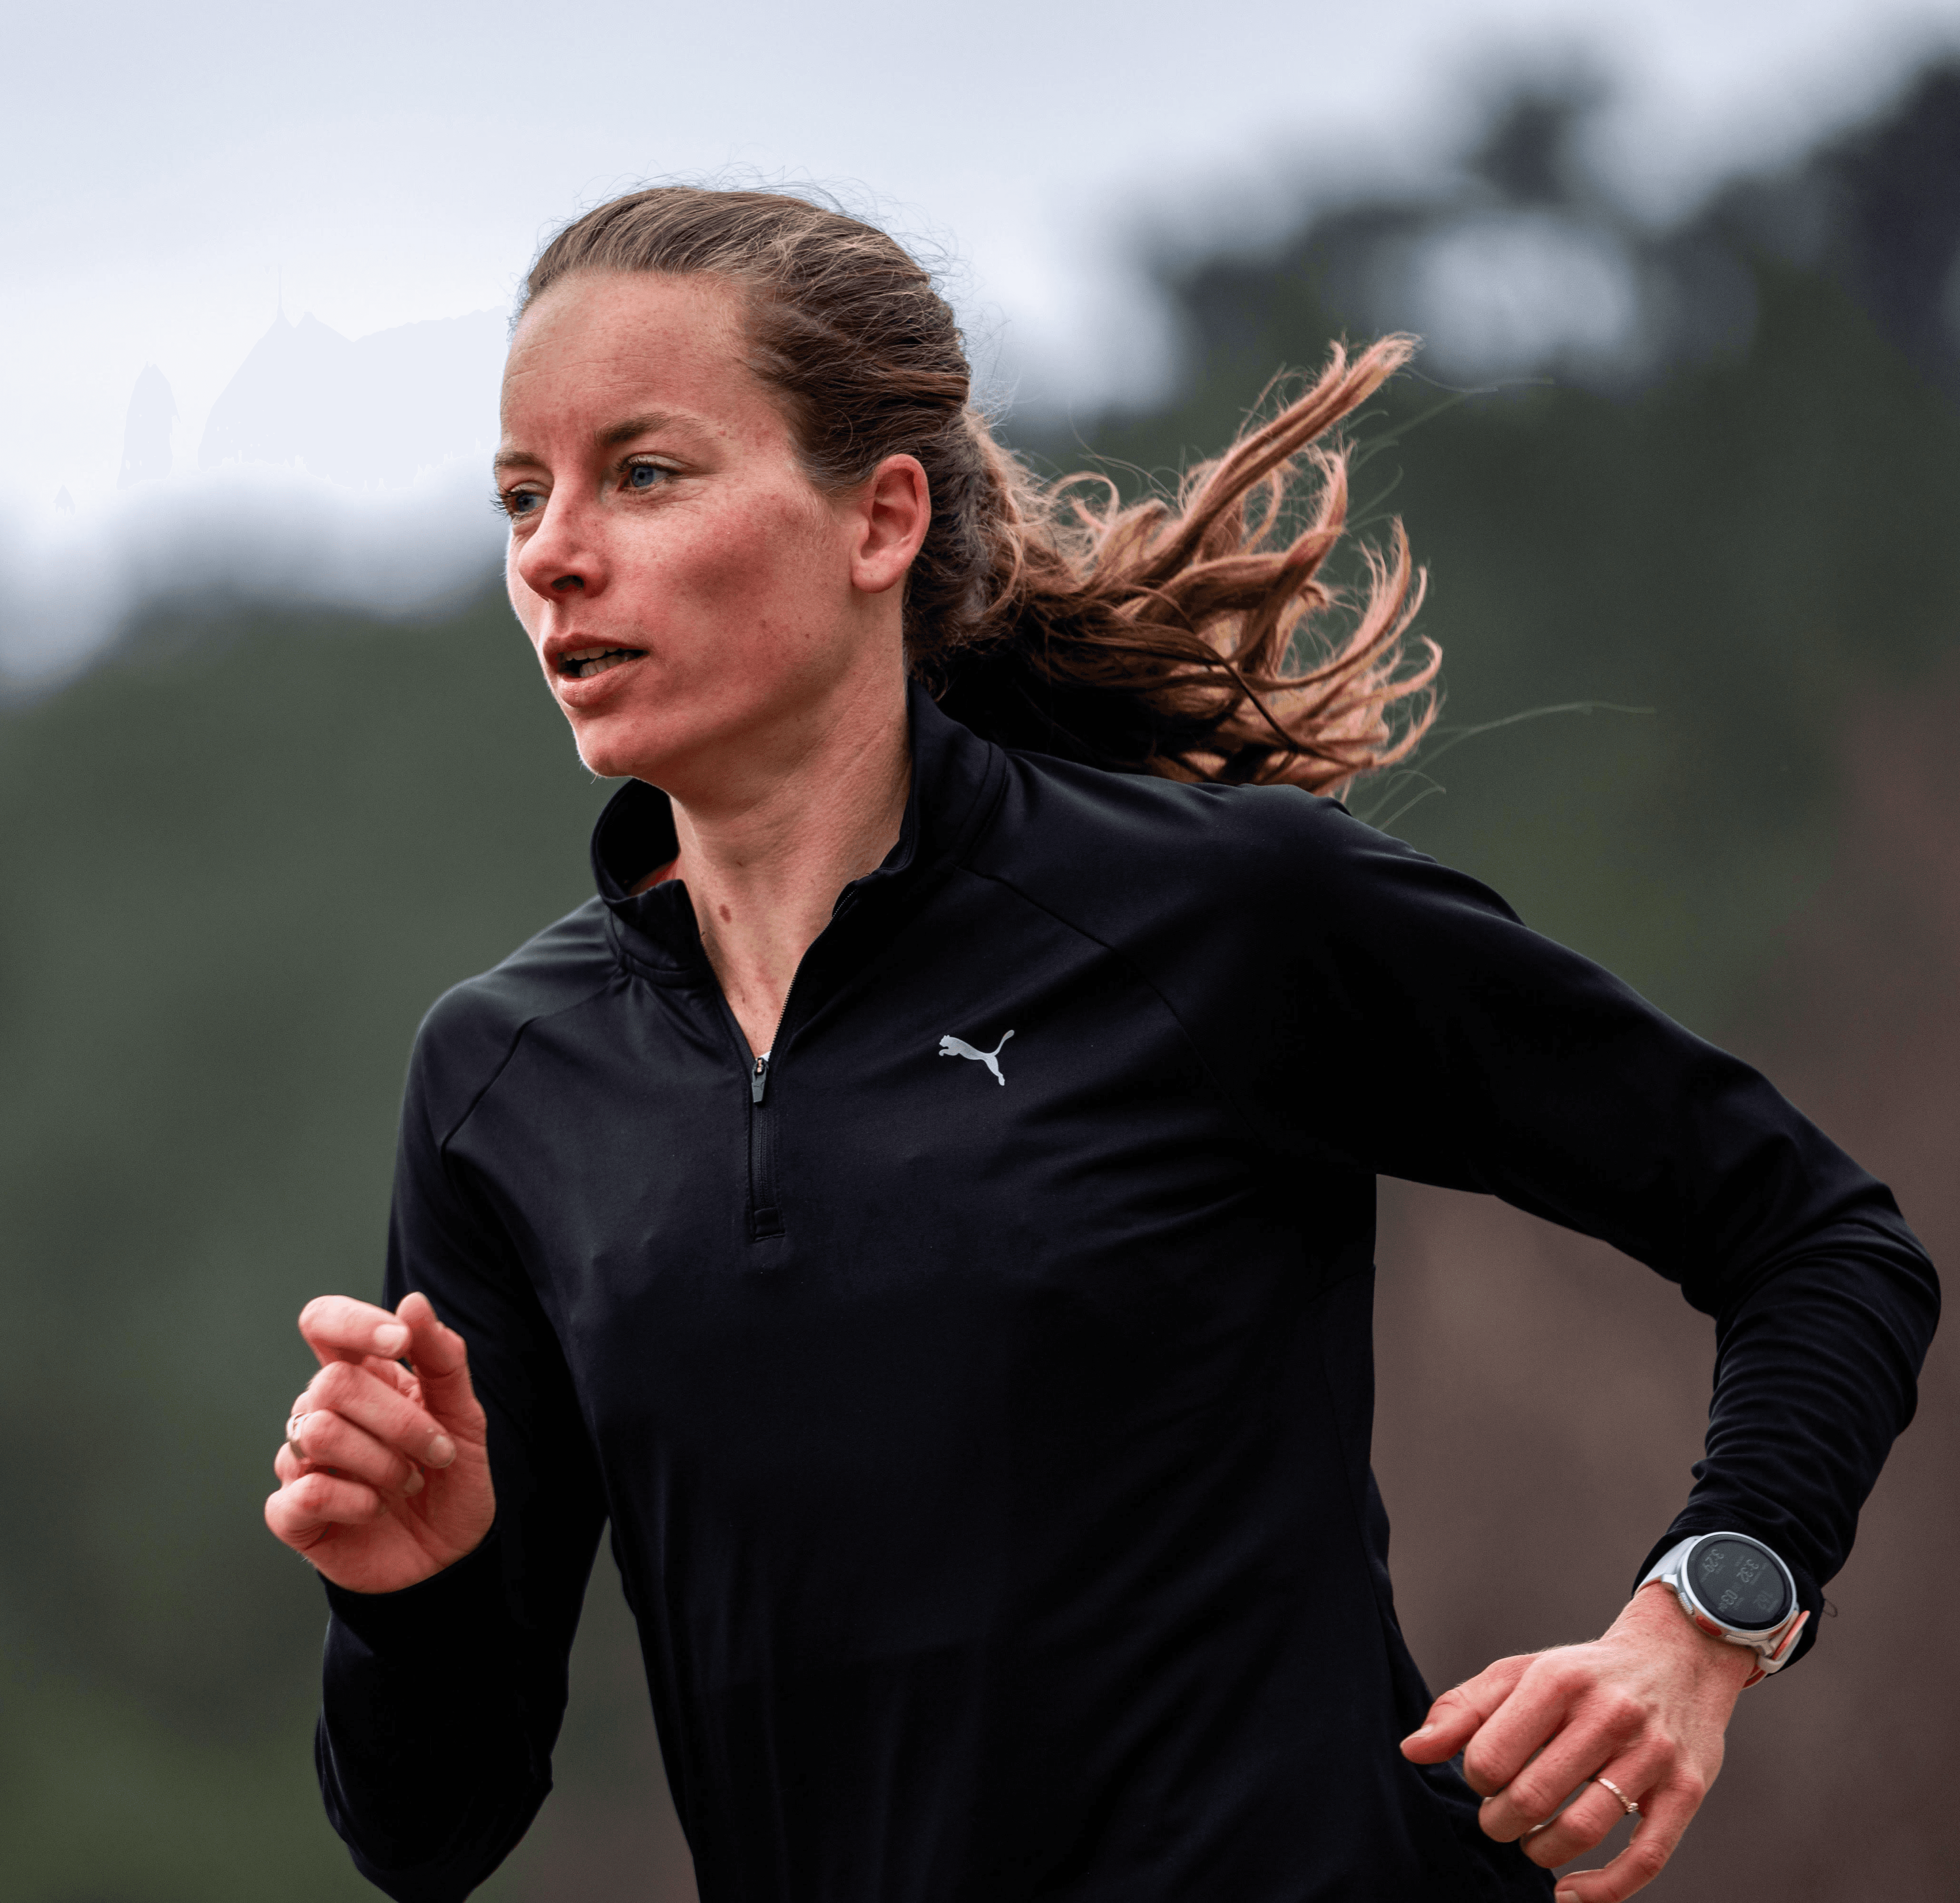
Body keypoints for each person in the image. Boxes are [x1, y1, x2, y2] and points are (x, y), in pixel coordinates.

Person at [263, 188, 1937, 1903]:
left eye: (646, 473)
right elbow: (429, 1831)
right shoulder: (505, 1079)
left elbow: (1821, 1243)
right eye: (521, 496)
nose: (553, 550)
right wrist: (413, 1595)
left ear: (882, 518)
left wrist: (1701, 1623)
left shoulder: (1219, 921)